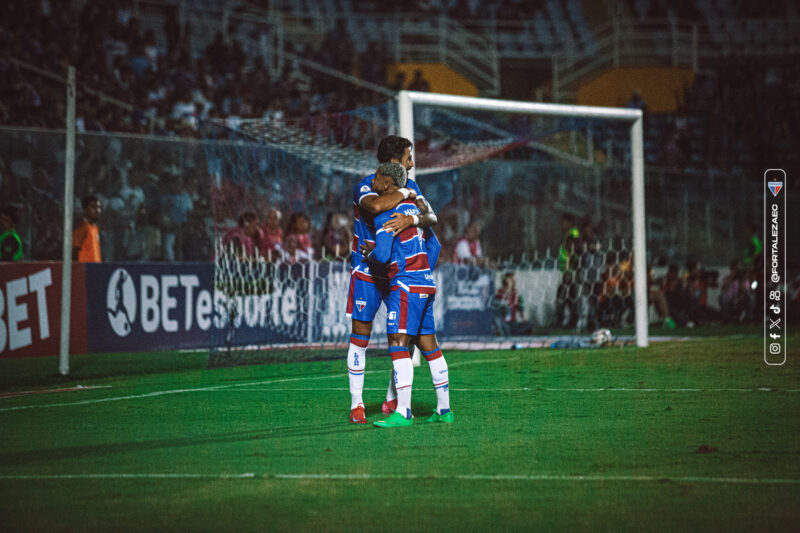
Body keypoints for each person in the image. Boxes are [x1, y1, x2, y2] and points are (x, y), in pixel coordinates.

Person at [346, 136, 438, 424]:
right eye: (408, 158)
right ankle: (357, 403)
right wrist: (405, 195)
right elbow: (374, 207)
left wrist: (411, 219)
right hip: (367, 270)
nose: (412, 163)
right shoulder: (366, 184)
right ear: (394, 162)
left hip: (399, 271)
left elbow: (430, 217)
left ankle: (392, 398)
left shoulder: (412, 187)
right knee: (361, 335)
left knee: (404, 336)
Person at [365, 163, 451, 427]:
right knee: (430, 347)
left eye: (378, 176)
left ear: (389, 184)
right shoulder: (416, 209)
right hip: (426, 283)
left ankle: (403, 412)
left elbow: (382, 255)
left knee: (398, 344)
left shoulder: (386, 212)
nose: (374, 180)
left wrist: (367, 257)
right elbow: (434, 243)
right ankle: (444, 410)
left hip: (406, 286)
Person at [72, 195, 102, 262]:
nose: (97, 210)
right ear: (85, 209)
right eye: (93, 207)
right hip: (85, 270)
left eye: (99, 207)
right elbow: (73, 250)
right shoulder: (82, 227)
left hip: (96, 269)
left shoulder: (95, 228)